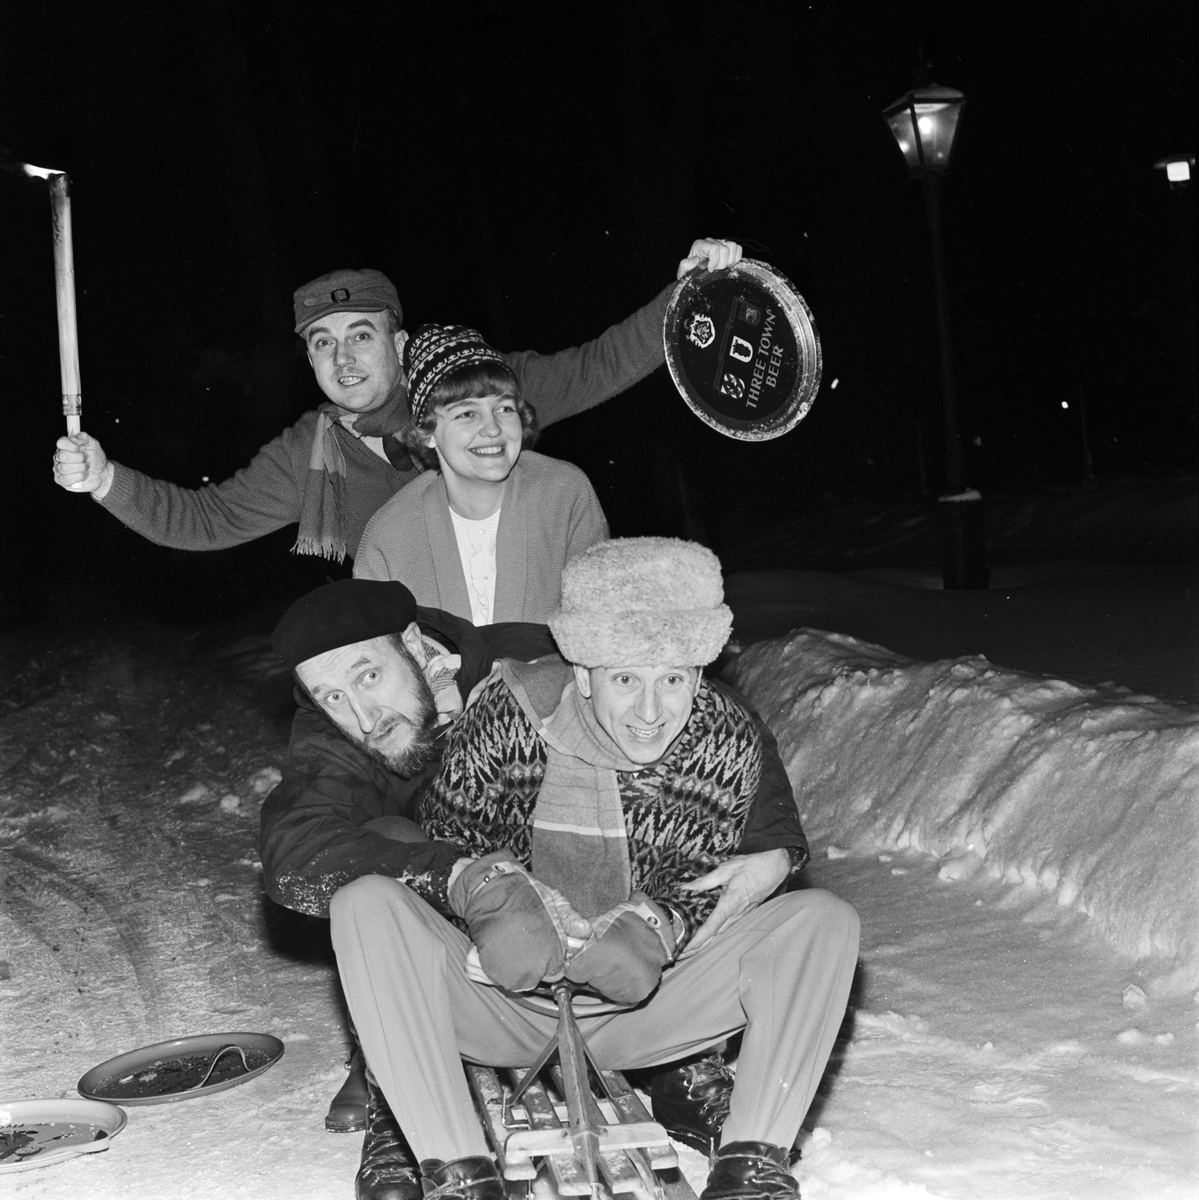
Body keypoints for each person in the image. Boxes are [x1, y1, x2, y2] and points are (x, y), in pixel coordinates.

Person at [323, 539, 860, 1200]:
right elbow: (446, 850)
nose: (650, 710)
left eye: (673, 678)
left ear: (698, 672)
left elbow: (709, 880)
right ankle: (454, 1169)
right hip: (501, 995)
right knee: (366, 903)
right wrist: (486, 914)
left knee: (821, 921)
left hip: (643, 1001)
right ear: (580, 673)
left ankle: (751, 1167)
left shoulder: (725, 739)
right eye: (624, 678)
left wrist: (656, 921)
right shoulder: (507, 717)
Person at [51, 240, 742, 563]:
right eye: (322, 343)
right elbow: (205, 520)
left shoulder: (476, 392)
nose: (343, 358)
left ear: (399, 340)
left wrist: (685, 299)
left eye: (360, 335)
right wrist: (107, 479)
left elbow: (602, 363)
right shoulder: (309, 451)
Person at [353, 323, 608, 623]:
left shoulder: (564, 494)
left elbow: (600, 625)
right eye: (467, 414)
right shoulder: (389, 536)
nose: (492, 429)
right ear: (427, 433)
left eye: (504, 409)